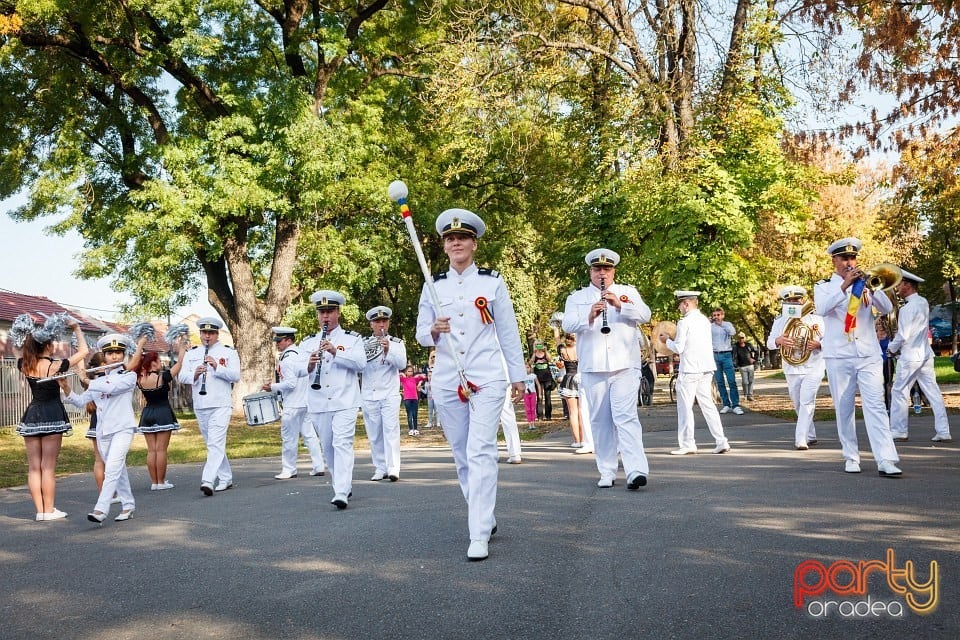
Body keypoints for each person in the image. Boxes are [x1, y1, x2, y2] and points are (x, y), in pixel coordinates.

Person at [416, 207, 526, 561]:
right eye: (450, 239)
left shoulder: (492, 283)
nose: (456, 243)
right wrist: (434, 330)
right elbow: (420, 335)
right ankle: (485, 514)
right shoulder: (432, 285)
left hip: (488, 375)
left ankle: (477, 532)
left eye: (462, 237)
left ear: (473, 244)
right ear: (445, 247)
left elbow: (507, 333)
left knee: (481, 450)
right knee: (462, 455)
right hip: (448, 378)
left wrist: (519, 375)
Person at [562, 248, 651, 490]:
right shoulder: (577, 297)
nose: (602, 273)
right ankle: (607, 470)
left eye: (607, 269)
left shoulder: (627, 292)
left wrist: (620, 305)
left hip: (625, 366)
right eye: (597, 269)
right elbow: (567, 323)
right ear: (590, 271)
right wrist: (589, 314)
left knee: (626, 417)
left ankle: (636, 470)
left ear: (613, 271)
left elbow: (645, 314)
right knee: (600, 421)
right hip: (594, 367)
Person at [813, 237, 902, 476]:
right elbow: (821, 309)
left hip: (868, 353)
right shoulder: (824, 286)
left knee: (876, 406)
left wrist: (873, 288)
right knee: (844, 408)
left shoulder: (866, 283)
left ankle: (886, 459)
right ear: (834, 260)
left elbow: (885, 308)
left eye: (852, 258)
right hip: (839, 355)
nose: (849, 262)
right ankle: (851, 456)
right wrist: (844, 287)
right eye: (844, 258)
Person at [11, 313, 89, 521]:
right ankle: (49, 510)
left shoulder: (24, 364)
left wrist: (23, 333)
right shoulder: (56, 365)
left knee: (34, 466)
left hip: (32, 414)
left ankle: (40, 512)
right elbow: (84, 351)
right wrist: (75, 328)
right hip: (52, 412)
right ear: (48, 346)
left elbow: (15, 346)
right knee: (48, 467)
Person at [64, 333, 145, 523]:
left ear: (124, 354)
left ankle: (101, 509)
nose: (114, 357)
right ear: (104, 356)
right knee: (118, 469)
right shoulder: (99, 380)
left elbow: (111, 388)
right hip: (103, 432)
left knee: (112, 469)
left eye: (118, 352)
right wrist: (66, 387)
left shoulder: (129, 376)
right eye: (110, 353)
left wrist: (87, 380)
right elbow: (80, 401)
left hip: (123, 429)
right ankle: (128, 505)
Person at [302, 290, 366, 509]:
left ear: (338, 312)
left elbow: (361, 364)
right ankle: (343, 484)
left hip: (344, 401)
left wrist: (336, 352)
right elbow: (296, 372)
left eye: (329, 311)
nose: (325, 317)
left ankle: (340, 491)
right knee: (328, 447)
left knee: (342, 443)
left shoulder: (352, 339)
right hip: (319, 402)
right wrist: (309, 365)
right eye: (321, 312)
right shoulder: (307, 342)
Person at [176, 317, 242, 495]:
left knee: (215, 443)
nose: (207, 336)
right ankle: (226, 477)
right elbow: (181, 376)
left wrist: (217, 368)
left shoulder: (228, 352)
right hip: (201, 404)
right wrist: (194, 375)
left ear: (216, 334)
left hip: (221, 404)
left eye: (211, 333)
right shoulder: (192, 353)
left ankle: (207, 480)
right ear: (200, 334)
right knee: (213, 444)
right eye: (204, 333)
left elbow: (236, 375)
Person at [661, 291, 731, 455]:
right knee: (708, 405)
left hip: (690, 369)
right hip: (706, 367)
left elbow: (679, 348)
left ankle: (688, 443)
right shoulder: (704, 320)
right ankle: (721, 440)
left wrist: (667, 341)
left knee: (685, 407)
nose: (679, 308)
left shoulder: (684, 322)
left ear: (686, 303)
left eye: (680, 304)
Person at [887, 269, 952, 442]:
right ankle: (943, 430)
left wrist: (891, 348)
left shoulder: (907, 309)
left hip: (909, 356)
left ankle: (899, 430)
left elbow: (903, 335)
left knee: (899, 391)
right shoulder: (923, 302)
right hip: (925, 354)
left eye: (900, 284)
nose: (897, 287)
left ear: (907, 285)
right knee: (933, 392)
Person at [263, 326, 326, 480]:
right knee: (309, 435)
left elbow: (290, 383)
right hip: (305, 401)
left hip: (292, 403)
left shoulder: (287, 359)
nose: (277, 343)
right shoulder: (301, 353)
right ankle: (318, 466)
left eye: (280, 340)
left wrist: (272, 387)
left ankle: (289, 469)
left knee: (289, 437)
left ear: (288, 340)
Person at [767, 285, 825, 450]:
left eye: (797, 300)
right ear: (785, 303)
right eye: (790, 300)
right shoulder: (779, 321)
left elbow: (830, 339)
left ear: (803, 300)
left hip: (814, 365)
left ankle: (800, 439)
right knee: (798, 403)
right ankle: (810, 434)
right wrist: (779, 341)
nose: (795, 303)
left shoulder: (817, 320)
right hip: (792, 367)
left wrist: (819, 344)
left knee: (807, 401)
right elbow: (770, 343)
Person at [360, 307, 407, 481]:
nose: (381, 324)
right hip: (369, 394)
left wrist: (388, 351)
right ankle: (380, 467)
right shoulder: (362, 343)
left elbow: (402, 364)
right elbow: (358, 366)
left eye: (384, 321)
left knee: (391, 430)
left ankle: (393, 467)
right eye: (377, 322)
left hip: (389, 394)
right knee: (374, 433)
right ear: (371, 324)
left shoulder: (397, 342)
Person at [135, 341, 188, 490]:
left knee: (152, 450)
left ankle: (154, 482)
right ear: (152, 364)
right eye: (158, 361)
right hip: (163, 412)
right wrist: (182, 349)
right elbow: (179, 365)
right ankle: (161, 481)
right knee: (161, 450)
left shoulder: (139, 379)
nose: (160, 363)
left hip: (147, 414)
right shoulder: (163, 377)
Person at [710, 307, 743, 414]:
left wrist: (721, 324)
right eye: (714, 315)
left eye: (718, 315)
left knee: (731, 380)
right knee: (720, 381)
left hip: (726, 355)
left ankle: (736, 405)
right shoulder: (710, 327)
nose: (716, 317)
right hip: (715, 355)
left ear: (722, 315)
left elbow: (733, 332)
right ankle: (726, 404)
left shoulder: (727, 324)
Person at [557, 333, 586, 448]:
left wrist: (556, 328)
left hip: (569, 379)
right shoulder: (580, 348)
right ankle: (584, 439)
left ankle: (577, 440)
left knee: (572, 413)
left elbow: (557, 340)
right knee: (581, 412)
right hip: (581, 379)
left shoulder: (563, 350)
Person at [530, 342, 555, 420]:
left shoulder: (545, 353)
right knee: (539, 397)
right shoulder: (534, 353)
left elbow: (550, 360)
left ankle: (548, 416)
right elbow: (530, 362)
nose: (539, 346)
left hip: (547, 378)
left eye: (540, 344)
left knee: (548, 397)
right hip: (538, 379)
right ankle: (540, 416)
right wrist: (534, 353)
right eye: (537, 345)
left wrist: (546, 350)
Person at [399, 365, 426, 436]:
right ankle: (411, 429)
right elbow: (397, 377)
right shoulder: (403, 379)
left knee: (415, 414)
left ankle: (416, 429)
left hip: (415, 399)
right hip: (407, 399)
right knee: (409, 414)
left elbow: (424, 377)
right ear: (406, 372)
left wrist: (419, 376)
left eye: (411, 371)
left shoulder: (414, 379)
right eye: (408, 371)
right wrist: (402, 374)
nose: (410, 372)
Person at [732, 332, 758, 401]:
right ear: (738, 338)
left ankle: (750, 395)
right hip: (742, 366)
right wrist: (735, 363)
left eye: (742, 338)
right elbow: (733, 355)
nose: (741, 339)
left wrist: (754, 359)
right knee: (745, 381)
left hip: (750, 366)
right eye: (740, 338)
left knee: (751, 380)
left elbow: (756, 352)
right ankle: (745, 395)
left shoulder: (749, 345)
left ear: (744, 338)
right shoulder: (735, 346)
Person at [522, 363, 538, 430]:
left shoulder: (533, 376)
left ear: (530, 368)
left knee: (533, 408)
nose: (526, 369)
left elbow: (538, 384)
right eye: (525, 368)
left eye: (528, 367)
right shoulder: (522, 377)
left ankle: (533, 423)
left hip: (533, 394)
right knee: (528, 409)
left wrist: (539, 393)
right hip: (526, 394)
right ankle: (529, 424)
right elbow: (521, 386)